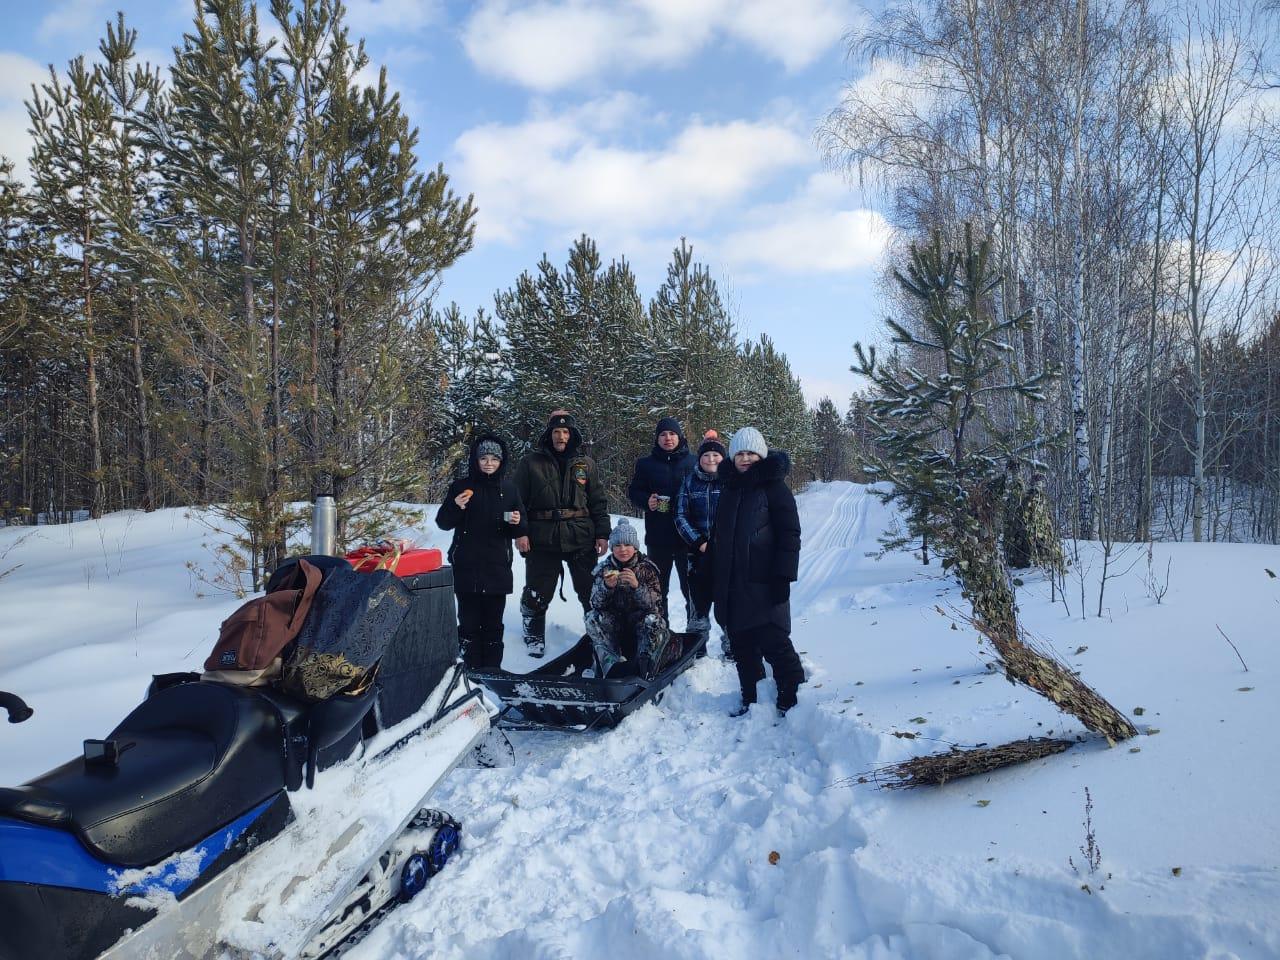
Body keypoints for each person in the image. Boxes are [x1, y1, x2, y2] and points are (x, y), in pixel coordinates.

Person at [711, 426, 805, 717]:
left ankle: (792, 695)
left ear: (761, 455)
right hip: (732, 583)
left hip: (764, 582)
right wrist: (708, 575)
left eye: (751, 452)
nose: (746, 458)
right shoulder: (728, 489)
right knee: (742, 648)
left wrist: (783, 576)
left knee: (773, 641)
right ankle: (751, 699)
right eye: (740, 453)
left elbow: (790, 534)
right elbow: (719, 536)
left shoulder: (774, 488)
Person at [513, 410, 611, 657]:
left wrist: (603, 534)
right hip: (541, 537)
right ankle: (534, 634)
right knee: (537, 590)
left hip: (580, 536)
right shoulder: (530, 463)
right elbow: (515, 502)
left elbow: (598, 502)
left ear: (572, 435)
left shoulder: (585, 465)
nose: (561, 436)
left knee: (590, 590)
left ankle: (597, 633)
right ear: (549, 435)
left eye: (566, 431)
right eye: (556, 431)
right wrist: (520, 532)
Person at [435, 434, 526, 670]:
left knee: (494, 623)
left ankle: (493, 670)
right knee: (468, 622)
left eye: (494, 459)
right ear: (475, 460)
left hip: (498, 567)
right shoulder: (461, 487)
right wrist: (456, 506)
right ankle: (469, 669)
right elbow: (443, 522)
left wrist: (517, 521)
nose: (488, 463)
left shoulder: (509, 490)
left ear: (501, 461)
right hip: (467, 566)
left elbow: (520, 526)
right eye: (483, 458)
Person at [626, 416, 697, 622]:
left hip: (688, 538)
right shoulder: (645, 464)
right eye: (663, 434)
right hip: (658, 538)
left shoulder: (693, 462)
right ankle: (659, 633)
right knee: (657, 590)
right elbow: (633, 491)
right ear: (657, 439)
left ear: (680, 437)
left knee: (691, 591)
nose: (668, 438)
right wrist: (646, 500)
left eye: (672, 434)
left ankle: (695, 637)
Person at [585, 519, 674, 679]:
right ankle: (610, 664)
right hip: (617, 626)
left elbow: (655, 605)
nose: (623, 549)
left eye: (627, 545)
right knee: (592, 618)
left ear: (635, 547)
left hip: (640, 625)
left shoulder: (647, 569)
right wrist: (607, 587)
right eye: (618, 545)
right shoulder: (604, 569)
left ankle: (645, 667)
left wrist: (636, 586)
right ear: (612, 548)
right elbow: (594, 603)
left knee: (654, 621)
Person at [675, 430, 727, 656]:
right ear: (700, 458)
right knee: (698, 605)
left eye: (716, 456)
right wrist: (698, 542)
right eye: (707, 455)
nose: (711, 459)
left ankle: (733, 647)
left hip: (726, 554)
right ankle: (696, 649)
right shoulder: (689, 482)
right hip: (697, 555)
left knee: (729, 603)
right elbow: (680, 515)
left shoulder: (731, 482)